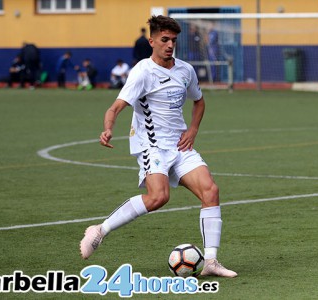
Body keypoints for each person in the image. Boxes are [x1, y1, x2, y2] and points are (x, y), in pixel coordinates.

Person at [80, 15, 237, 278]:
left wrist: (193, 129)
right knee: (158, 197)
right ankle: (99, 230)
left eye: (173, 40)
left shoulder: (185, 70)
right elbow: (116, 107)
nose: (169, 45)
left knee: (211, 190)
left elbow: (199, 101)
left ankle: (210, 262)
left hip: (180, 144)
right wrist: (108, 128)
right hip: (152, 146)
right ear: (152, 41)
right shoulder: (142, 71)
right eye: (164, 40)